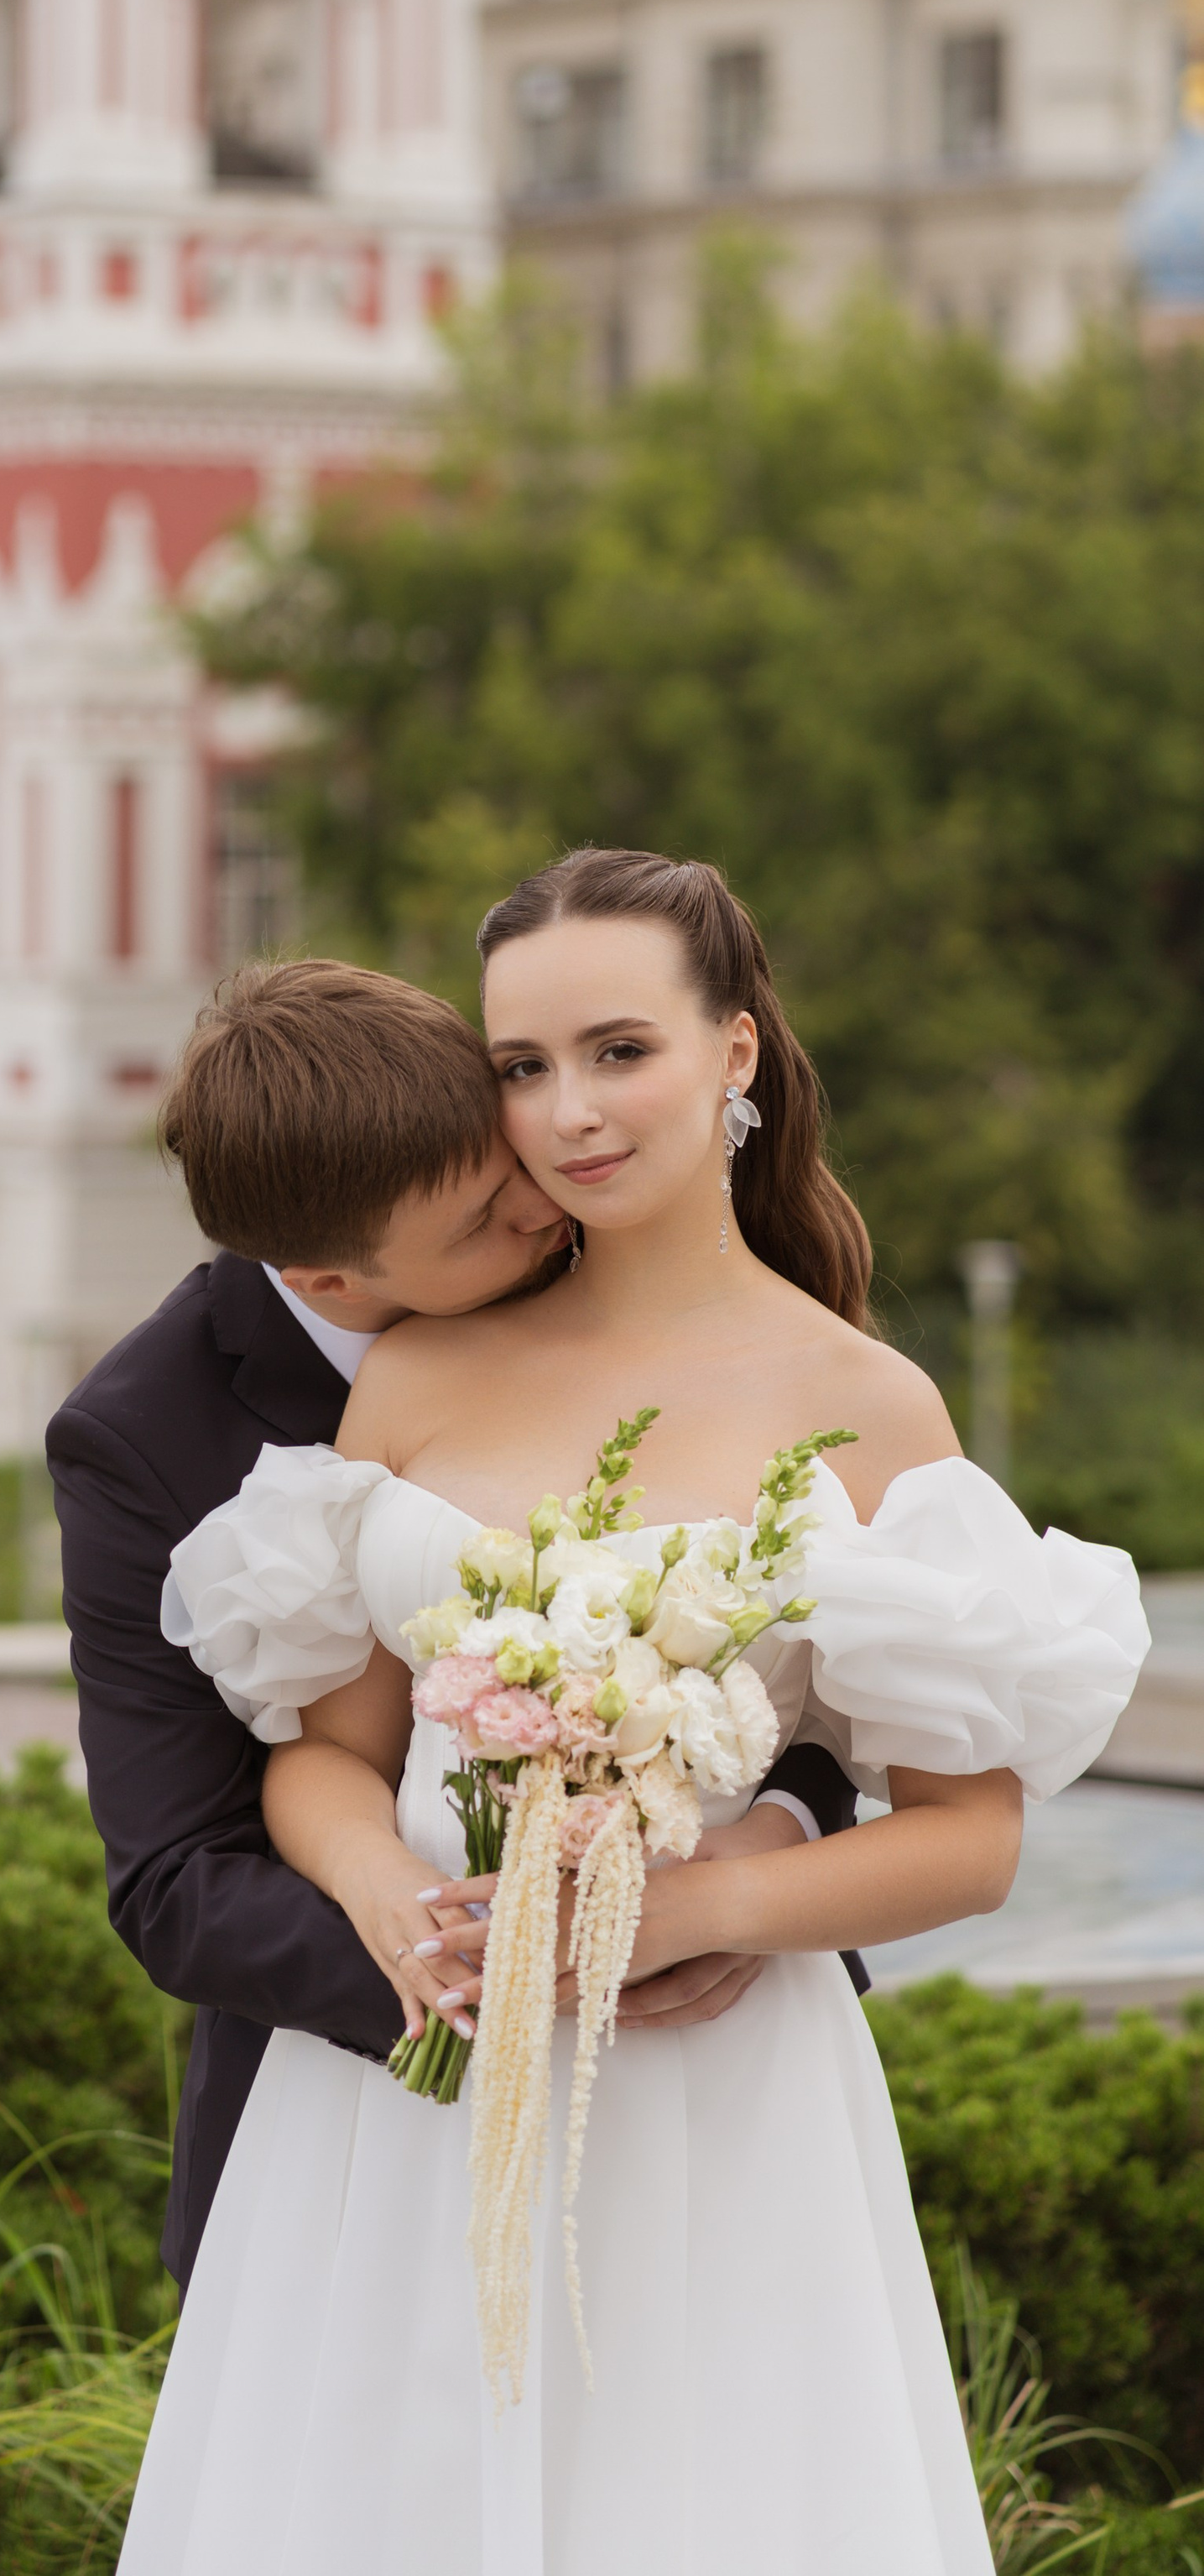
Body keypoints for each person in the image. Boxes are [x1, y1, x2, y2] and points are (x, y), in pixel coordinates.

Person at [124, 852, 1149, 2576]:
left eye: (616, 1052)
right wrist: (393, 1912)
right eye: (519, 1069)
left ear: (732, 1054)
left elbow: (970, 1840)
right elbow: (323, 1760)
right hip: (398, 2093)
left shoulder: (864, 1402)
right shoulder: (418, 1370)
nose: (565, 1113)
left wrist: (709, 1901)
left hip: (710, 2094)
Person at [50, 954, 863, 2293]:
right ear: (327, 1278)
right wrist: (489, 1974)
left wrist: (759, 1862)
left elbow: (791, 1637)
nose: (546, 1216)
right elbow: (176, 1877)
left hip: (714, 2063)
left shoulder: (601, 1264)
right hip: (364, 2126)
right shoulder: (142, 1436)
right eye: (485, 1220)